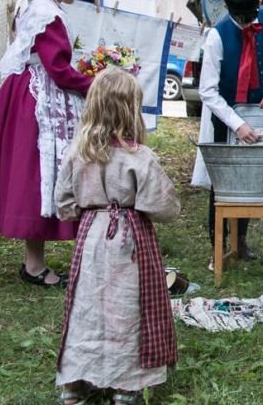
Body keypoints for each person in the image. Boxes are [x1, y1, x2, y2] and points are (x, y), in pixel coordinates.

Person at [54, 67, 179, 405]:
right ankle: (125, 386)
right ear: (131, 110)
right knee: (127, 307)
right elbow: (164, 206)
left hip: (91, 239)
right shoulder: (139, 158)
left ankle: (75, 384)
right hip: (130, 241)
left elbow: (63, 204)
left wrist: (86, 211)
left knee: (88, 307)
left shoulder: (76, 154)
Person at [0, 0, 93, 287]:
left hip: (26, 93)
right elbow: (57, 70)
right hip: (40, 101)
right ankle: (34, 264)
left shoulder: (34, 2)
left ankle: (35, 261)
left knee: (38, 175)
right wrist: (96, 84)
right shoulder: (46, 13)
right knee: (41, 174)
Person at [191, 0, 263, 270]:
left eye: (251, 16)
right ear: (230, 11)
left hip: (260, 111)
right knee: (223, 184)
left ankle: (241, 241)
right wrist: (236, 125)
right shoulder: (216, 37)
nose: (248, 23)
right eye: (241, 18)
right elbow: (208, 91)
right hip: (226, 115)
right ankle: (218, 248)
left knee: (251, 178)